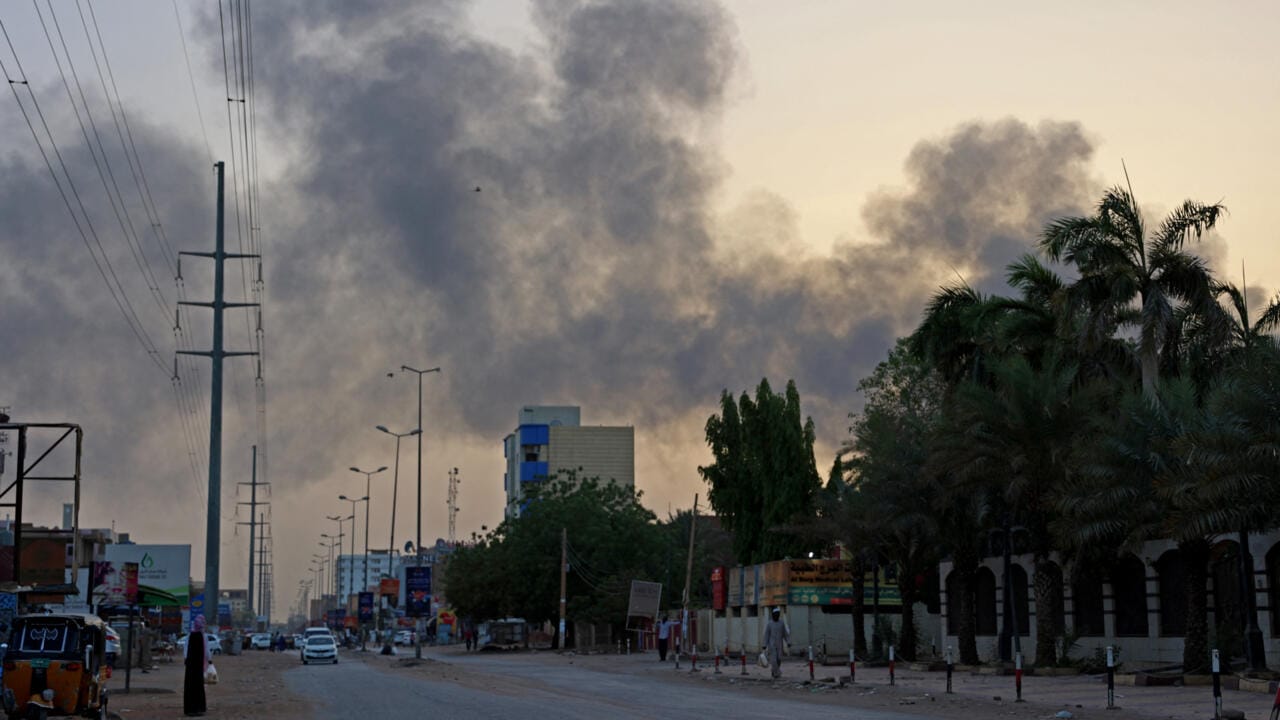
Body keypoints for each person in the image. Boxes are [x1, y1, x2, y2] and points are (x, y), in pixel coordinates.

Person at [183, 615, 211, 716]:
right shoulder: (203, 636)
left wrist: (186, 659)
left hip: (190, 665)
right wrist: (210, 661)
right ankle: (198, 708)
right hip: (198, 665)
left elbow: (185, 648)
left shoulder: (190, 635)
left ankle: (190, 709)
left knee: (190, 686)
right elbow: (207, 651)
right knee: (198, 686)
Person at [762, 606, 789, 679]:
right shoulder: (769, 624)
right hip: (772, 645)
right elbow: (766, 635)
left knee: (779, 659)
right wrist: (764, 645)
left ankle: (774, 671)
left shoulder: (781, 623)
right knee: (773, 660)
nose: (776, 616)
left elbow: (785, 634)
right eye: (775, 614)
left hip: (779, 644)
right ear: (773, 615)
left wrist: (788, 642)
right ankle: (777, 673)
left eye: (777, 614)